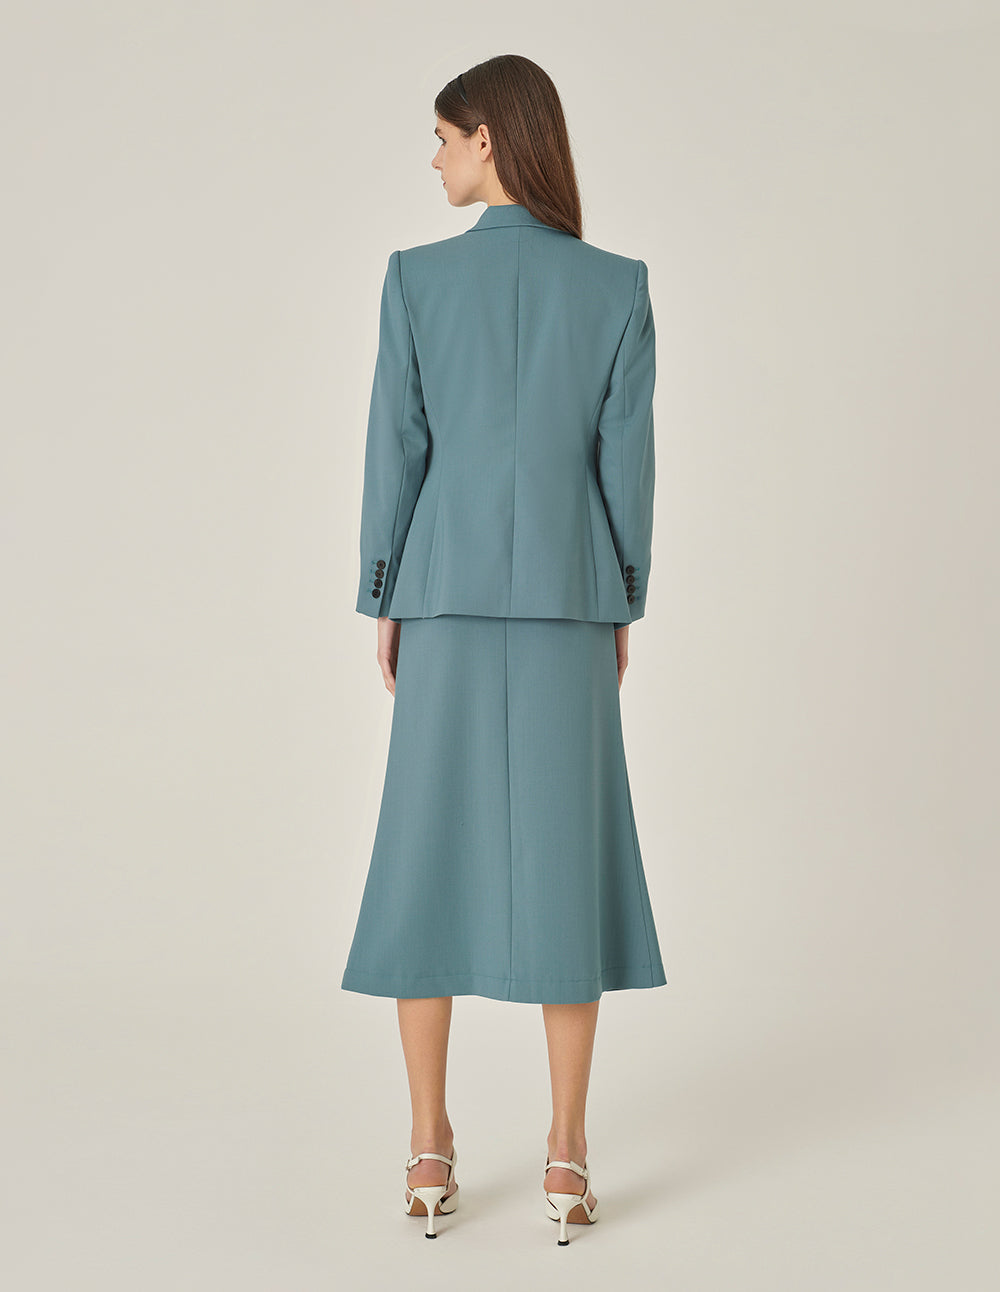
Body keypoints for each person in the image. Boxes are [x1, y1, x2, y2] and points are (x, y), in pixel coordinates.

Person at [341, 54, 667, 1244]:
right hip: (571, 605)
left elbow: (397, 450)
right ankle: (565, 1154)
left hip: (443, 597)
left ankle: (429, 1146)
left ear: (488, 139)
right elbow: (624, 468)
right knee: (565, 865)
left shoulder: (416, 281)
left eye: (442, 137)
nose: (433, 158)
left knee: (423, 855)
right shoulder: (616, 286)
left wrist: (385, 592)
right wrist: (618, 601)